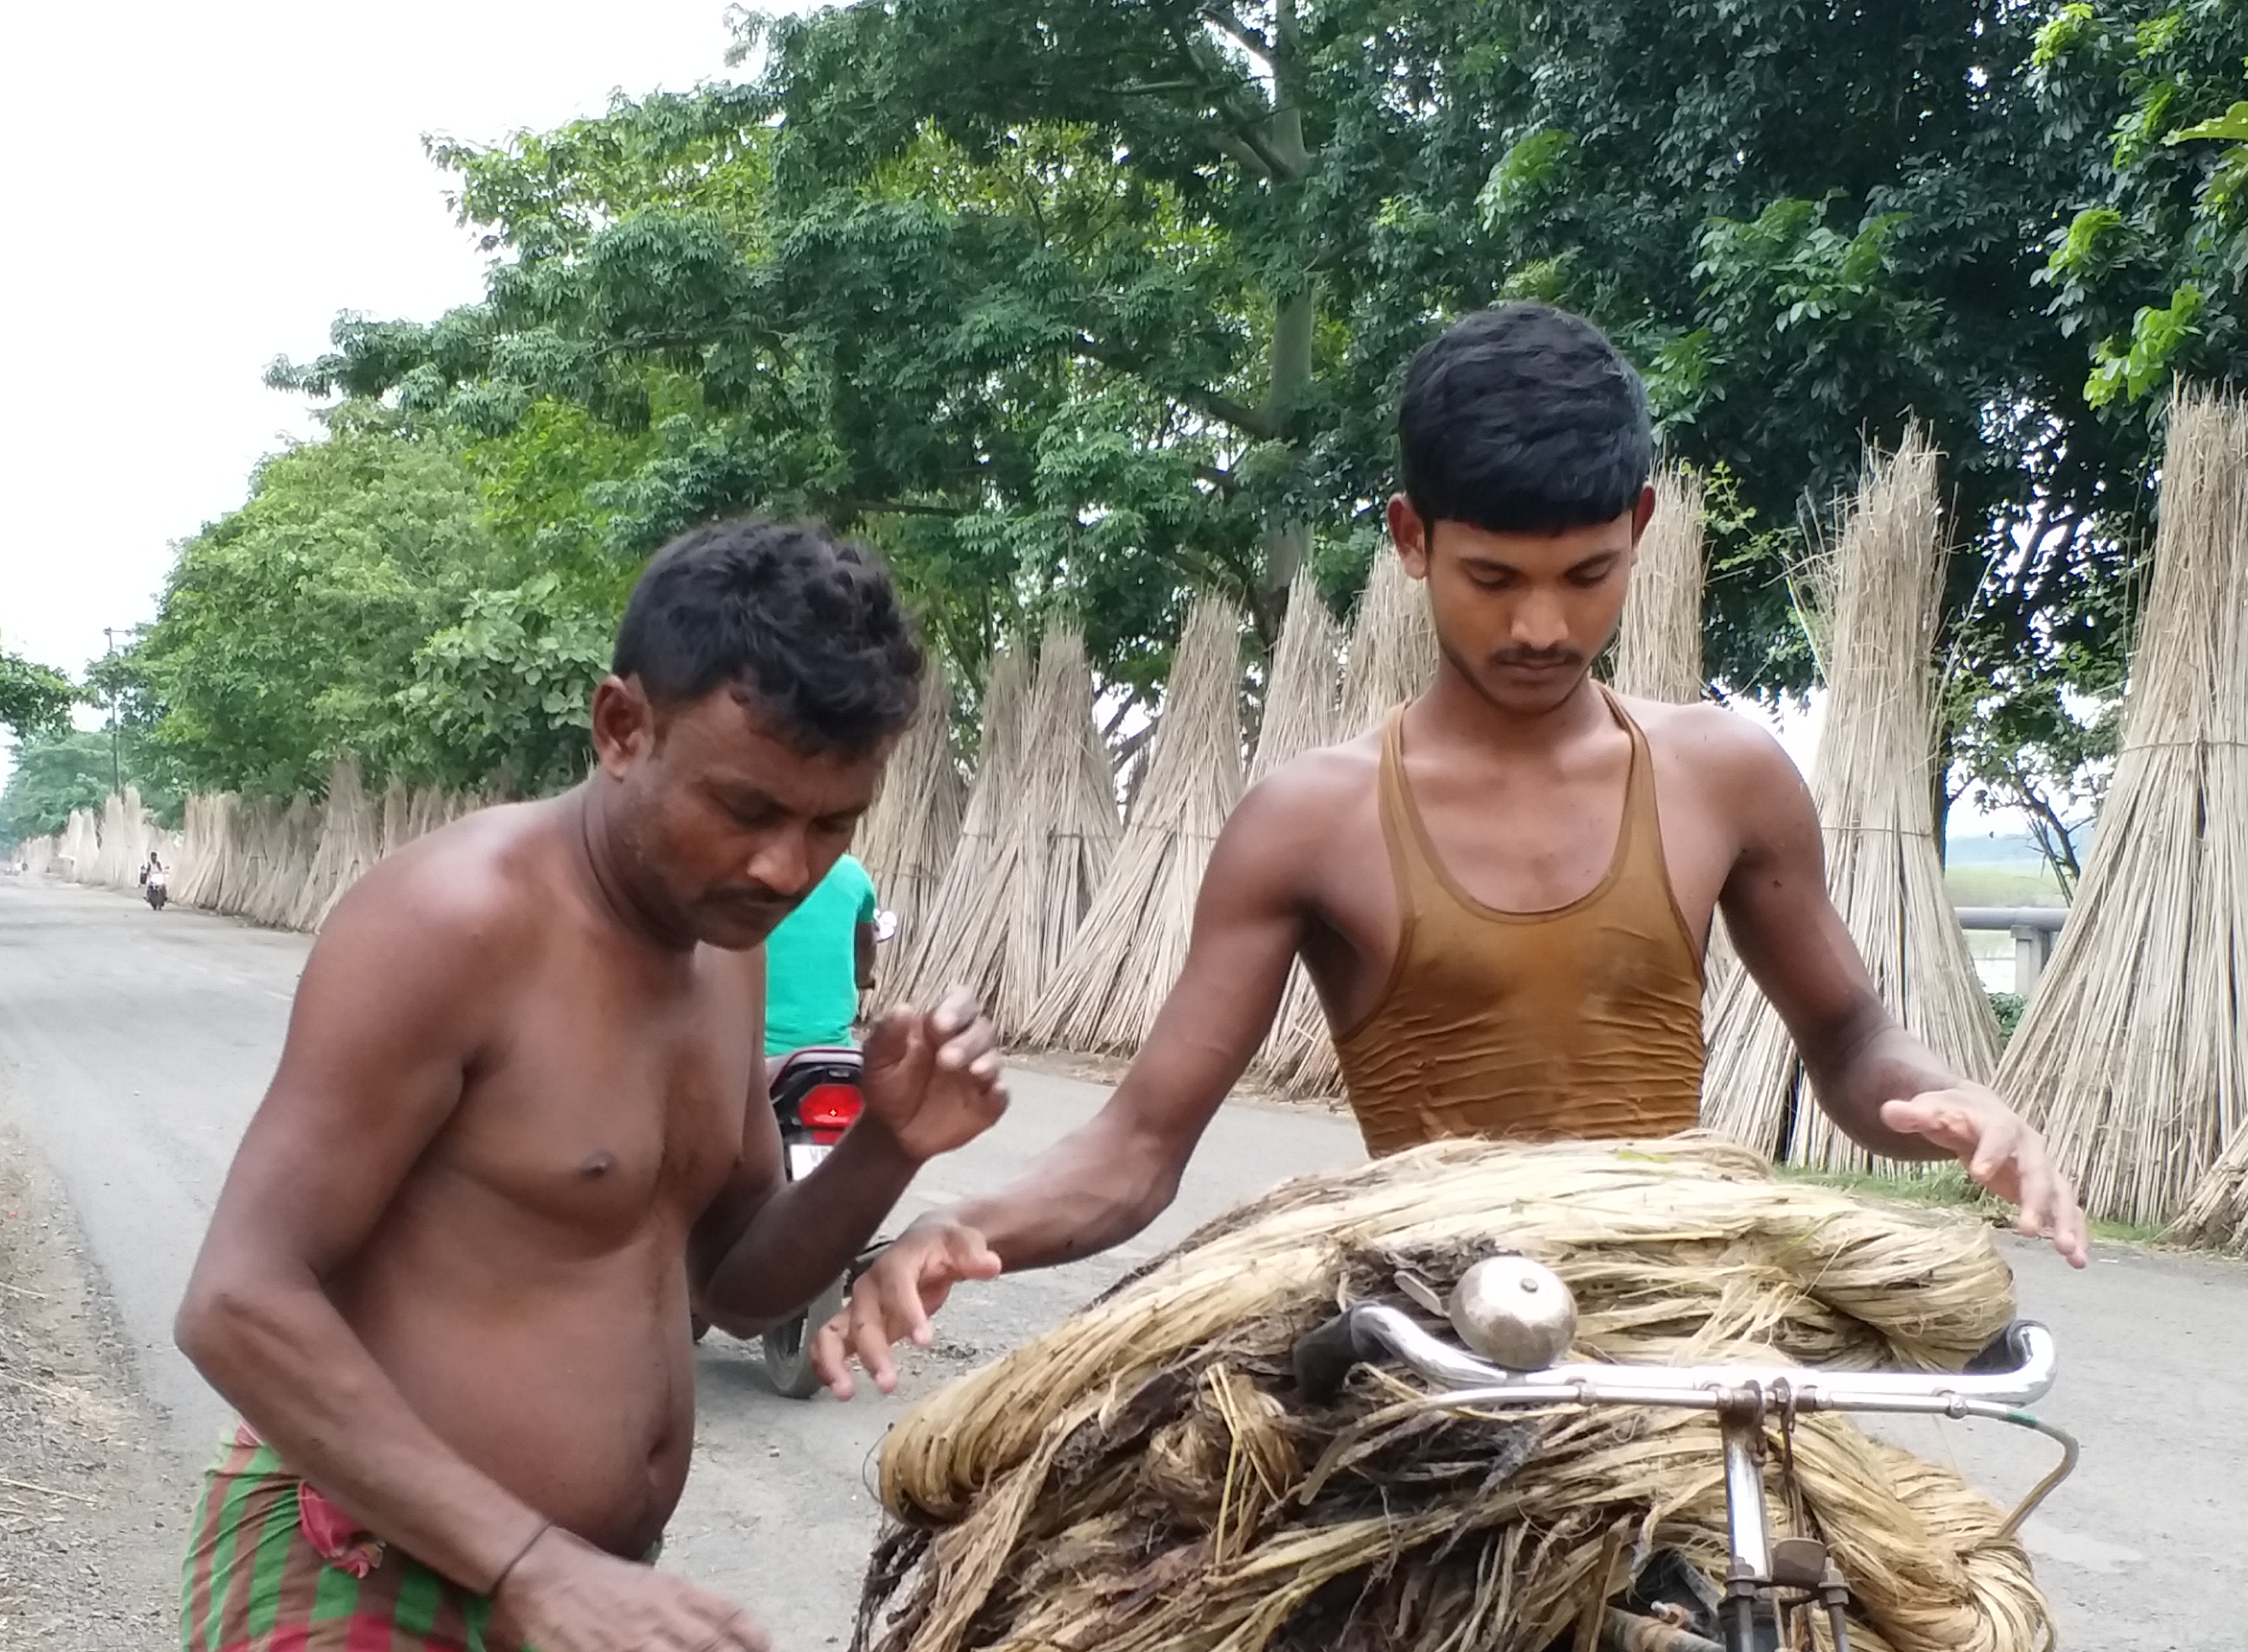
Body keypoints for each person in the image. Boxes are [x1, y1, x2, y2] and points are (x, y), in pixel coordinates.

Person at [172, 520, 1006, 1652]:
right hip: (361, 1587)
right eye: (744, 805)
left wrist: (884, 1161)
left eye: (832, 826)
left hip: (570, 1632)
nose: (783, 867)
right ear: (621, 723)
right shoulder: (452, 923)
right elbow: (239, 1301)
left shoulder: (723, 966)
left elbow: (722, 1274)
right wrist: (530, 1555)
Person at [817, 303, 2087, 1398]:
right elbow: (1140, 1148)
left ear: (1640, 525)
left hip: (1690, 1335)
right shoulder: (1308, 820)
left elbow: (1852, 1037)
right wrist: (961, 1224)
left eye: (1588, 574)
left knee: (1839, 1645)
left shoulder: (1728, 776)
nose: (1543, 625)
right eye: (1493, 578)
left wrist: (1954, 1104)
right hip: (1443, 1344)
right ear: (1413, 539)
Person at [759, 849, 878, 1054]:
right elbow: (866, 944)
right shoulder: (853, 874)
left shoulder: (751, 873)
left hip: (758, 1055)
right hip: (833, 1052)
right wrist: (863, 977)